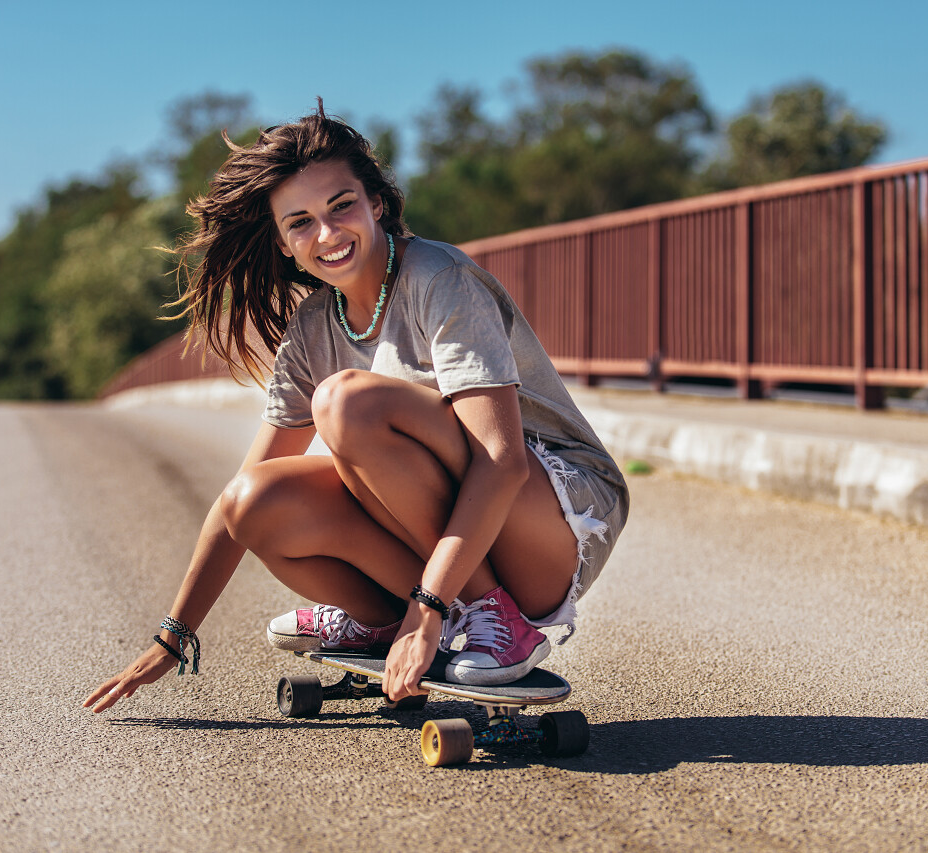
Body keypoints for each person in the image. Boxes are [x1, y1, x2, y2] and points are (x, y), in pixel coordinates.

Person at [84, 102, 628, 712]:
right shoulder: (313, 328)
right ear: (285, 244)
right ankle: (384, 618)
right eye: (300, 222)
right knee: (253, 500)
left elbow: (501, 461)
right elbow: (239, 498)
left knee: (345, 403)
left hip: (549, 522)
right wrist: (174, 635)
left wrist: (429, 610)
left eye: (341, 205)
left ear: (376, 202)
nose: (326, 234)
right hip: (466, 537)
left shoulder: (438, 278)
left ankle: (483, 615)